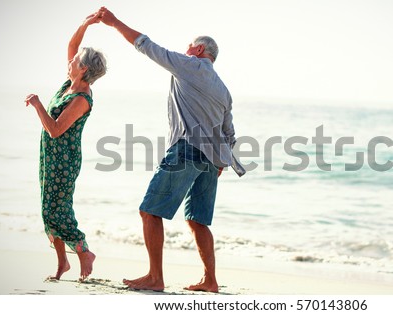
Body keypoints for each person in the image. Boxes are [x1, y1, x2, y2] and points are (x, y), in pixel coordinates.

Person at [98, 6, 238, 292]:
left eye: (189, 46)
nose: (185, 50)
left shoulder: (190, 65)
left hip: (187, 150)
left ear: (198, 50)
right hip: (212, 160)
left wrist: (113, 22)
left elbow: (146, 46)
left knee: (149, 211)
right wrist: (222, 162)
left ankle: (155, 277)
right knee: (197, 220)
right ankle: (210, 281)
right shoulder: (223, 88)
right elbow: (229, 133)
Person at [24, 11, 107, 281]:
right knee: (48, 209)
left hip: (64, 158)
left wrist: (37, 105)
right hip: (49, 155)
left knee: (55, 210)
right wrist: (85, 24)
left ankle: (83, 251)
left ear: (83, 69)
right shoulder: (69, 85)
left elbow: (56, 129)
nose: (70, 60)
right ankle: (63, 264)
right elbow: (72, 47)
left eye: (75, 61)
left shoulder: (82, 97)